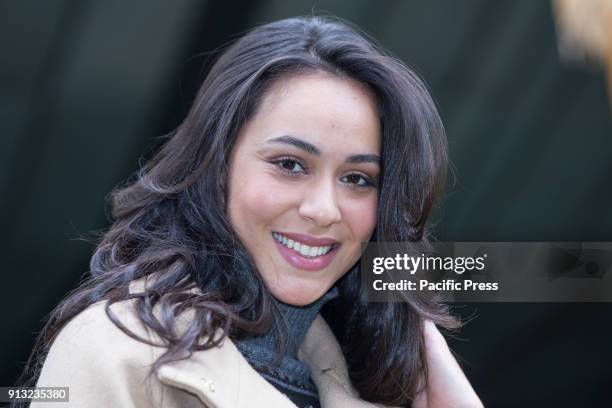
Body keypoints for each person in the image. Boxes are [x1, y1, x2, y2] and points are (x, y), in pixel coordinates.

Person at [20, 15, 483, 408]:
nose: (323, 210)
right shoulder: (111, 348)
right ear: (216, 167)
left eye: (358, 179)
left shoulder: (378, 383)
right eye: (289, 165)